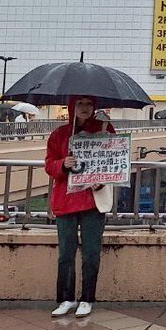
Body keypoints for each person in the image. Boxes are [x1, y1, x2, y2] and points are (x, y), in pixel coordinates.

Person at [45, 96, 113, 318]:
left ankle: (87, 299)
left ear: (94, 107)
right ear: (72, 107)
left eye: (89, 104)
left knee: (91, 253)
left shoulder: (105, 129)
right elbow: (49, 165)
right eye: (80, 104)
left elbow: (114, 161)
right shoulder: (59, 134)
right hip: (65, 201)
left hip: (93, 201)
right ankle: (66, 298)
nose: (84, 108)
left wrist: (102, 180)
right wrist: (62, 164)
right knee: (66, 252)